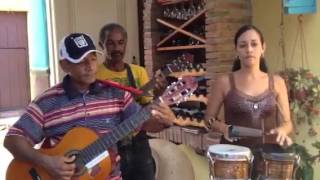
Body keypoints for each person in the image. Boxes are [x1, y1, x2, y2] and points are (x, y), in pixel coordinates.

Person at [4, 33, 175, 180]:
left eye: (93, 59)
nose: (90, 66)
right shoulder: (46, 102)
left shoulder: (117, 94)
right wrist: (47, 162)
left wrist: (165, 121)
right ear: (64, 65)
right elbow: (12, 139)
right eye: (81, 61)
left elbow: (145, 124)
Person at [205, 25, 293, 178]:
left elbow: (287, 123)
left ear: (263, 48)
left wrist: (283, 130)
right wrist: (223, 128)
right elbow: (208, 120)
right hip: (233, 159)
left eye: (254, 44)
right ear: (236, 50)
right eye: (243, 45)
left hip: (268, 158)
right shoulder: (224, 82)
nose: (249, 49)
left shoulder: (277, 82)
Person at [96, 23, 172, 180]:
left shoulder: (138, 72)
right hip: (110, 144)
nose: (117, 48)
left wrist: (159, 94)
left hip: (138, 143)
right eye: (110, 43)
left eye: (121, 42)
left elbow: (147, 109)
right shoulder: (95, 74)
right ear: (101, 45)